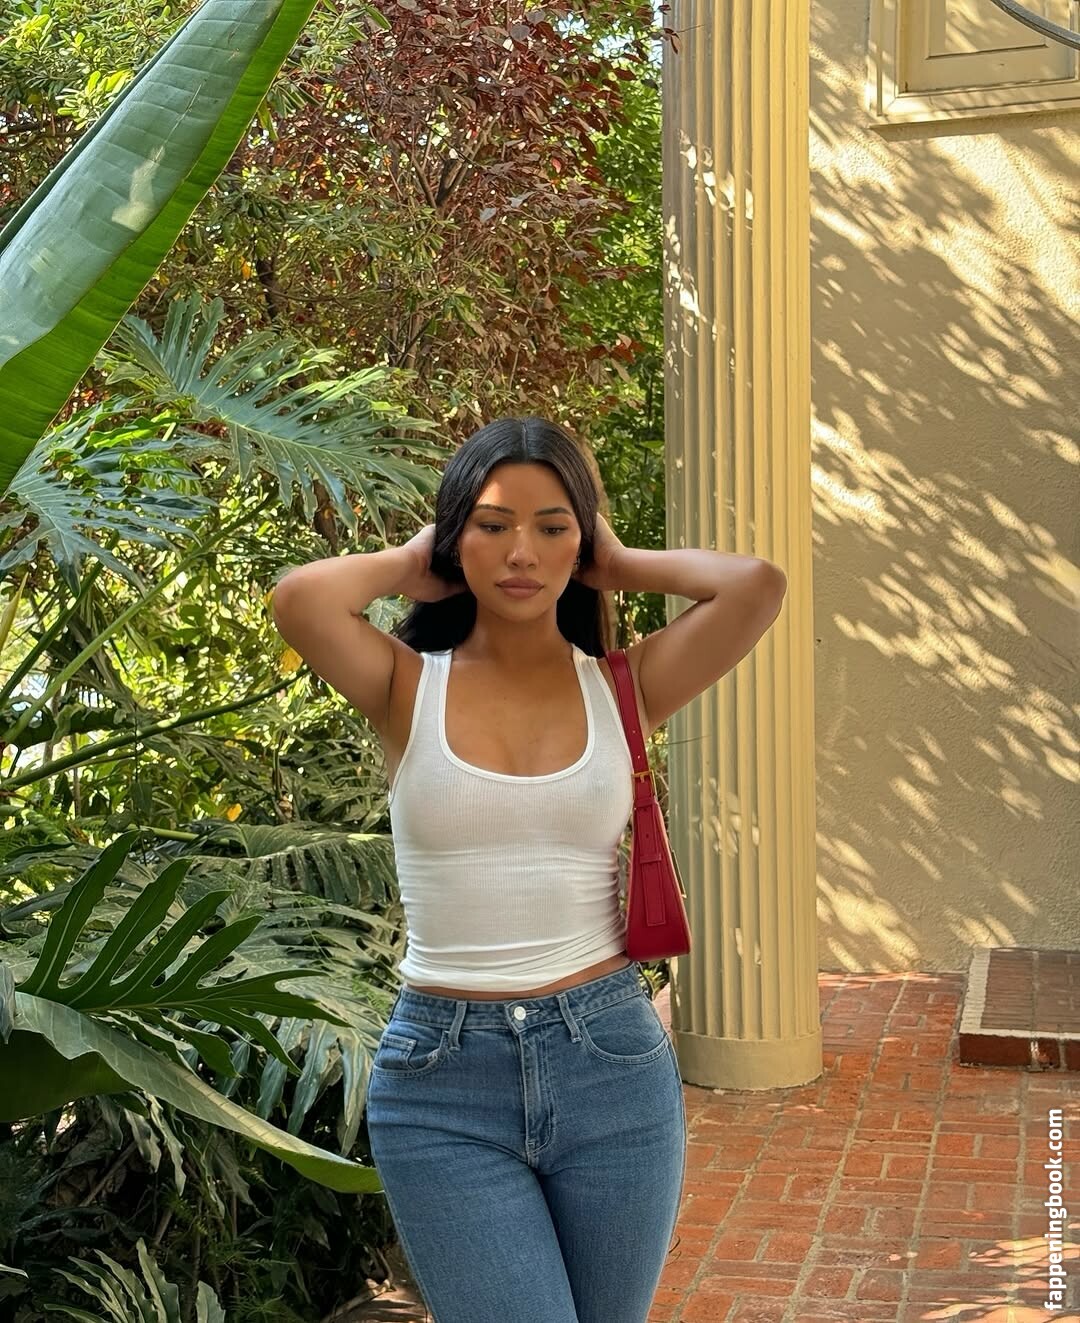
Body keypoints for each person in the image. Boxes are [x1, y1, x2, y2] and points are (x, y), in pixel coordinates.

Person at [271, 416, 787, 1323]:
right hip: (442, 1080)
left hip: (610, 1059)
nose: (522, 552)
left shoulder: (624, 685)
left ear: (581, 542)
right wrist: (408, 559)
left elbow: (756, 587)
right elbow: (300, 600)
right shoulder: (406, 685)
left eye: (553, 527)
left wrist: (620, 564)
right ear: (455, 537)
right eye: (492, 524)